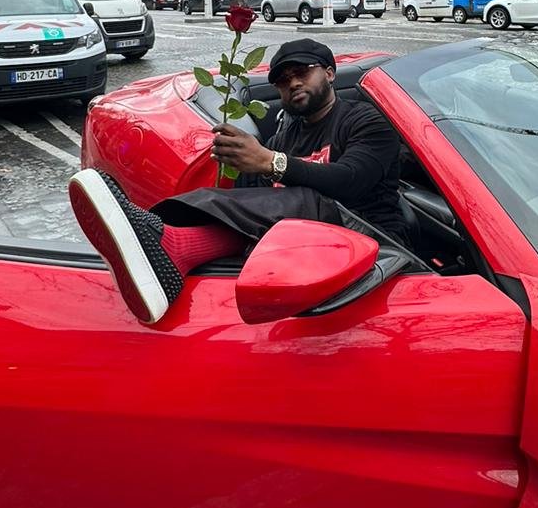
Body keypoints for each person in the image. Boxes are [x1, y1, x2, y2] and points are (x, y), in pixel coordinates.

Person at [69, 38, 404, 324]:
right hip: (308, 241)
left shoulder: (365, 121)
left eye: (302, 72)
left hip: (375, 241)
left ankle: (160, 238)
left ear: (329, 73)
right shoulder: (285, 136)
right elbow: (260, 201)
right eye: (283, 80)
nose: (292, 84)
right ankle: (164, 238)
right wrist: (242, 166)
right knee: (248, 200)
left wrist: (270, 162)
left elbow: (351, 181)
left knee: (307, 198)